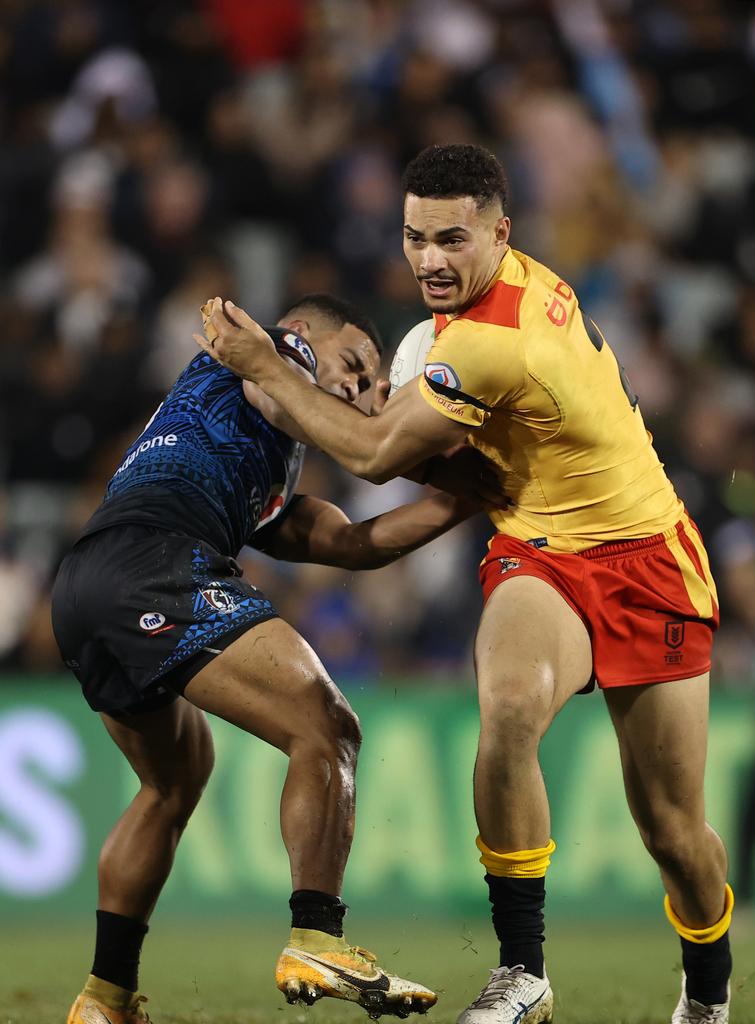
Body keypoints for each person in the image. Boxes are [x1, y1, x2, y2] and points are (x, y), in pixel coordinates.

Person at [197, 145, 734, 1024]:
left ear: (499, 233)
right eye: (414, 238)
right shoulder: (486, 302)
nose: (429, 260)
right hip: (541, 547)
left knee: (674, 834)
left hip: (645, 562)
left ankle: (708, 995)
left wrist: (262, 365)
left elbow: (373, 458)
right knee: (510, 707)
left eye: (452, 239)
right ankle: (524, 973)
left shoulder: (491, 341)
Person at [52, 291, 494, 1024]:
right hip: (156, 564)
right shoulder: (269, 361)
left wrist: (463, 502)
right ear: (300, 335)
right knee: (328, 727)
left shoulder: (264, 467)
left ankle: (104, 998)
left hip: (87, 584)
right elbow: (277, 384)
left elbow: (351, 544)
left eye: (374, 383)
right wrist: (421, 435)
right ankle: (318, 934)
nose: (362, 388)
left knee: (174, 781)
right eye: (355, 362)